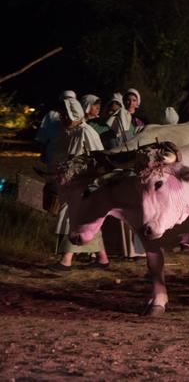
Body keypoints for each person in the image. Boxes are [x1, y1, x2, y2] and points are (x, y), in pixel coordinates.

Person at [48, 97, 110, 272]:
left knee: (74, 220)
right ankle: (102, 258)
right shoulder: (70, 132)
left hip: (84, 185)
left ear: (73, 115)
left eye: (65, 115)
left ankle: (66, 261)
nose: (62, 118)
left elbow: (97, 158)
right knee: (88, 223)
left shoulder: (86, 132)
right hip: (73, 185)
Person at [35, 90, 76, 214]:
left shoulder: (76, 117)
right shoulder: (52, 115)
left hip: (68, 158)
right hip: (53, 155)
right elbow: (43, 136)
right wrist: (43, 152)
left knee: (65, 187)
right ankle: (50, 212)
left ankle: (62, 215)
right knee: (52, 186)